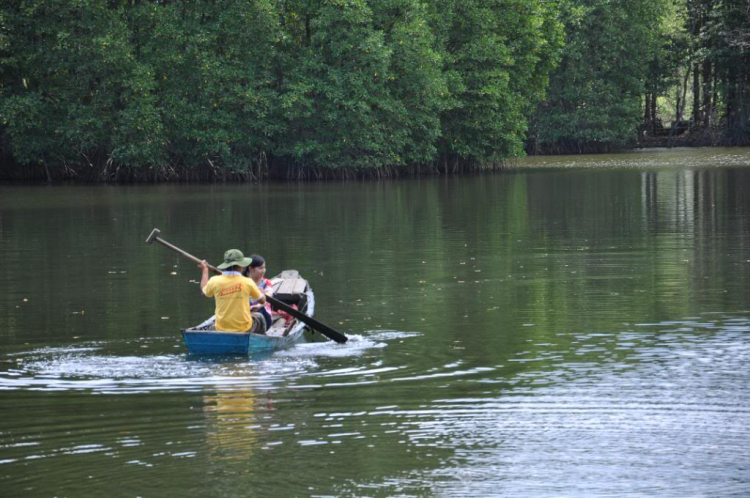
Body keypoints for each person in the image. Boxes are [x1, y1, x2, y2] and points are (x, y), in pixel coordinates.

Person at [198, 249, 267, 334]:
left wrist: (205, 270)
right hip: (244, 329)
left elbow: (203, 291)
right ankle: (263, 339)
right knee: (259, 317)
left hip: (221, 328)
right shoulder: (247, 282)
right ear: (241, 266)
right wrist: (261, 293)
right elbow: (262, 300)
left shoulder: (214, 281)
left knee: (211, 325)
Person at [243, 254, 274, 331]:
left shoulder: (267, 283)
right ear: (250, 268)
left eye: (264, 268)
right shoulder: (241, 282)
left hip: (263, 316)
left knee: (259, 312)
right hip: (244, 314)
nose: (263, 271)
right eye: (260, 268)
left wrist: (259, 306)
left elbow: (267, 298)